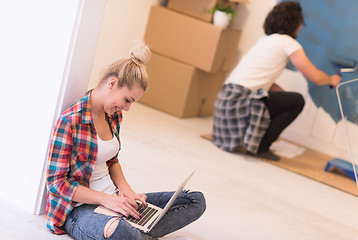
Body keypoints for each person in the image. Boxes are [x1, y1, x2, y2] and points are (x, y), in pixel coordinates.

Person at [46, 44, 206, 239]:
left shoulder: (114, 115)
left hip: (115, 200)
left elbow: (111, 160)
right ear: (112, 84)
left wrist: (126, 190)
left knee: (195, 200)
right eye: (127, 100)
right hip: (81, 211)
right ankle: (129, 231)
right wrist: (106, 200)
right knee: (122, 231)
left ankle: (133, 231)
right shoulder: (70, 121)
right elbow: (56, 184)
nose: (127, 108)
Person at [212, 1, 341, 161]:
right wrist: (332, 79)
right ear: (292, 23)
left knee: (284, 97)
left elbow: (257, 80)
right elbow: (315, 76)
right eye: (299, 23)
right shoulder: (288, 42)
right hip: (239, 102)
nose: (300, 28)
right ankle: (260, 147)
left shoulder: (265, 40)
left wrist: (280, 94)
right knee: (297, 100)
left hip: (225, 103)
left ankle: (254, 142)